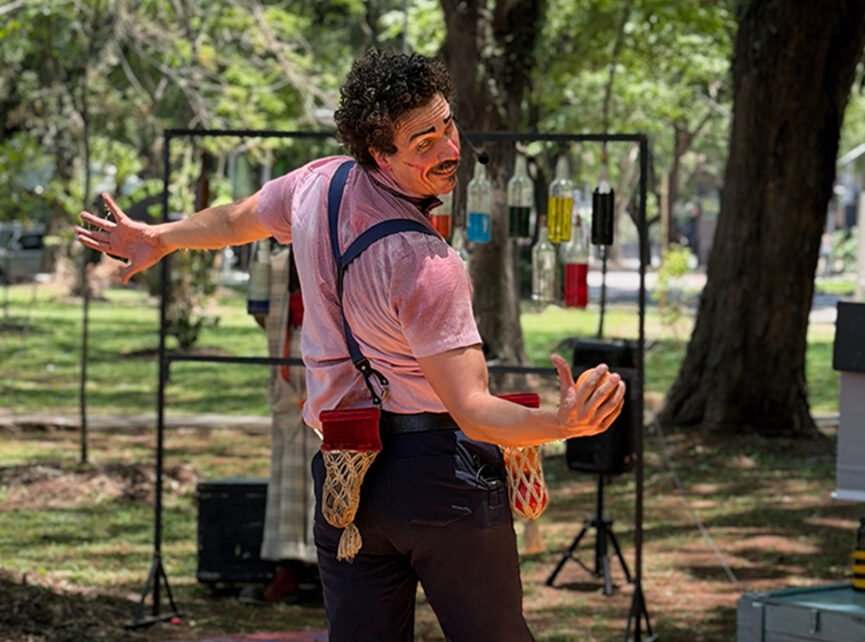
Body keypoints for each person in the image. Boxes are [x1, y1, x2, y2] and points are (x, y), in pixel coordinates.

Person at [75, 50, 625, 642]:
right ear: (380, 154)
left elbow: (236, 220)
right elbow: (471, 411)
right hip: (437, 477)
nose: (448, 150)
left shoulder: (317, 185)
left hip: (347, 480)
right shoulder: (426, 264)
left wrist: (160, 237)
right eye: (423, 143)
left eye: (448, 126)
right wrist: (563, 424)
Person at [244, 247, 319, 604]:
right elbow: (262, 314)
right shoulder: (278, 264)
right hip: (291, 377)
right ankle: (289, 567)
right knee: (290, 474)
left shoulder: (336, 252)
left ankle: (326, 572)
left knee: (330, 480)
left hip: (327, 374)